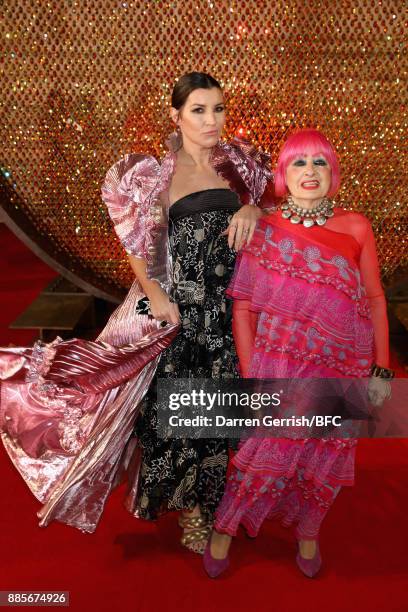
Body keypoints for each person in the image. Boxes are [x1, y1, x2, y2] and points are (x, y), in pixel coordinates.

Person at [0, 72, 271, 546]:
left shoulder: (239, 167)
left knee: (226, 413)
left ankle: (219, 503)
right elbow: (139, 247)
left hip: (232, 310)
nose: (211, 120)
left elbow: (273, 212)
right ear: (177, 116)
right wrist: (157, 296)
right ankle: (195, 513)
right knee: (185, 418)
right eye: (198, 110)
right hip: (183, 315)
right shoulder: (156, 175)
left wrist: (253, 210)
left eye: (218, 109)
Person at [203, 128, 393, 577]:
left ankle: (308, 533)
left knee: (323, 456)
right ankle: (225, 528)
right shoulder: (263, 228)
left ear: (333, 172)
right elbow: (244, 310)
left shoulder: (356, 226)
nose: (310, 172)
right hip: (281, 369)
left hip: (341, 366)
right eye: (299, 163)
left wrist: (381, 368)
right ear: (284, 174)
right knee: (261, 456)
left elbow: (377, 298)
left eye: (320, 162)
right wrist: (254, 379)